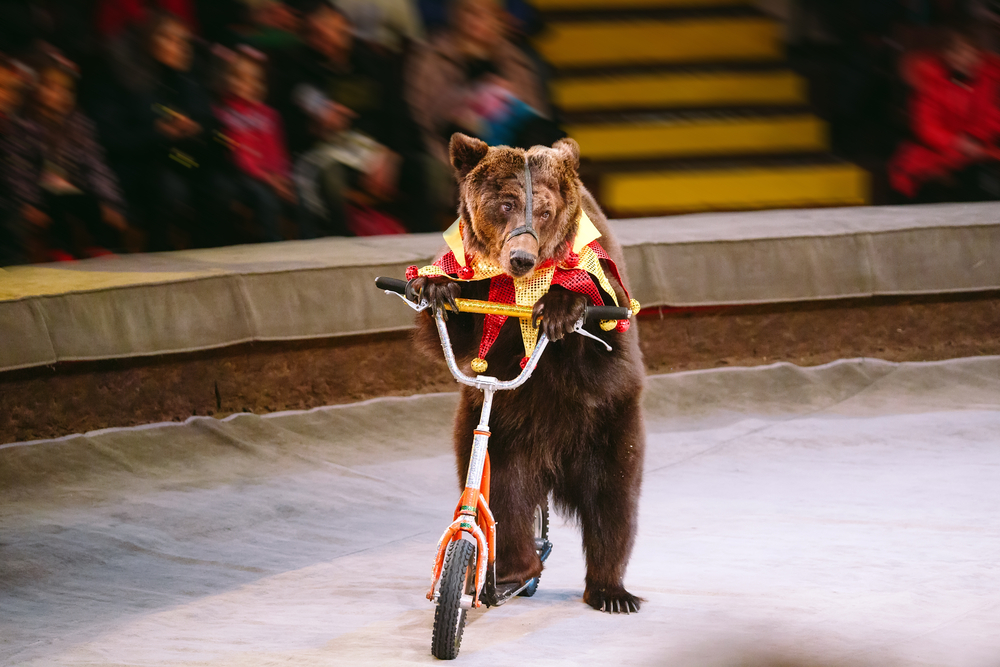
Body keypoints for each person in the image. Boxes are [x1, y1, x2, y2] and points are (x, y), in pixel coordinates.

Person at [278, 1, 432, 236]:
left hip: (382, 154)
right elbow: (288, 129)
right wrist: (314, 128)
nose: (327, 37)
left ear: (345, 26)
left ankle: (425, 247)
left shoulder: (374, 63)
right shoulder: (297, 69)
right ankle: (345, 252)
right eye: (317, 34)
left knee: (424, 170)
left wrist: (392, 155)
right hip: (333, 155)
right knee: (330, 178)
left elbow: (400, 117)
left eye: (332, 28)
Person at [91, 10, 215, 250]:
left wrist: (195, 127)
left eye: (183, 40)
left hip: (181, 159)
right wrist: (158, 132)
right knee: (167, 186)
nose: (180, 47)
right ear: (149, 41)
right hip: (135, 165)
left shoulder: (184, 76)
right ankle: (159, 259)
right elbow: (110, 139)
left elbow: (209, 121)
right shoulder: (121, 77)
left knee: (217, 185)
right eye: (170, 39)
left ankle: (212, 258)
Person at [1, 50, 127, 262]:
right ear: (35, 88)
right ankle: (59, 248)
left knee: (91, 201)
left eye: (66, 89)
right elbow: (18, 169)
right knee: (55, 194)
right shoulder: (23, 125)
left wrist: (109, 201)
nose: (59, 95)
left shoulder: (78, 124)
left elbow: (95, 164)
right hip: (37, 190)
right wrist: (27, 203)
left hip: (71, 187)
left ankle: (101, 246)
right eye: (51, 87)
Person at [889, 21, 1000, 201]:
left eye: (970, 52)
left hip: (980, 149)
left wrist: (977, 139)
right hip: (941, 151)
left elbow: (992, 116)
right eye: (959, 52)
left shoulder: (988, 78)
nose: (967, 59)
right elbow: (926, 125)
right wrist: (957, 142)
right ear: (947, 55)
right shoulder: (931, 80)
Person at [211, 45, 296, 243]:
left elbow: (278, 151)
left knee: (300, 192)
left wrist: (282, 177)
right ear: (226, 78)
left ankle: (309, 242)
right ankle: (272, 244)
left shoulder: (269, 114)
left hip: (272, 175)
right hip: (245, 175)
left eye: (253, 78)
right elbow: (241, 156)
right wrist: (270, 179)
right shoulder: (224, 114)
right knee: (264, 198)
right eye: (238, 76)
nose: (245, 83)